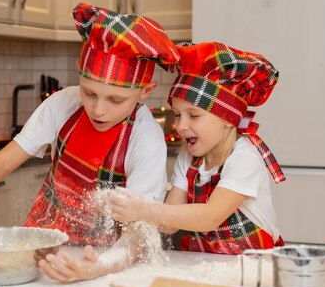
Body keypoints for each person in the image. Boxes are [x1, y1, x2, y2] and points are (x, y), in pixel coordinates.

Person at [0, 2, 180, 281]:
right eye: (89, 93)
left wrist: (99, 266)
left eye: (115, 99)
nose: (98, 110)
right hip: (42, 252)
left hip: (103, 263)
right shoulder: (62, 104)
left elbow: (137, 234)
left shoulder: (146, 138)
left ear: (145, 91)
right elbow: (3, 163)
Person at [110, 41, 286, 254]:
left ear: (228, 119)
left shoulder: (244, 158)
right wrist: (133, 209)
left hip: (253, 267)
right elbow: (170, 222)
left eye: (194, 115)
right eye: (177, 114)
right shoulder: (188, 159)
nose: (181, 126)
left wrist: (147, 210)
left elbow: (209, 217)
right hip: (205, 263)